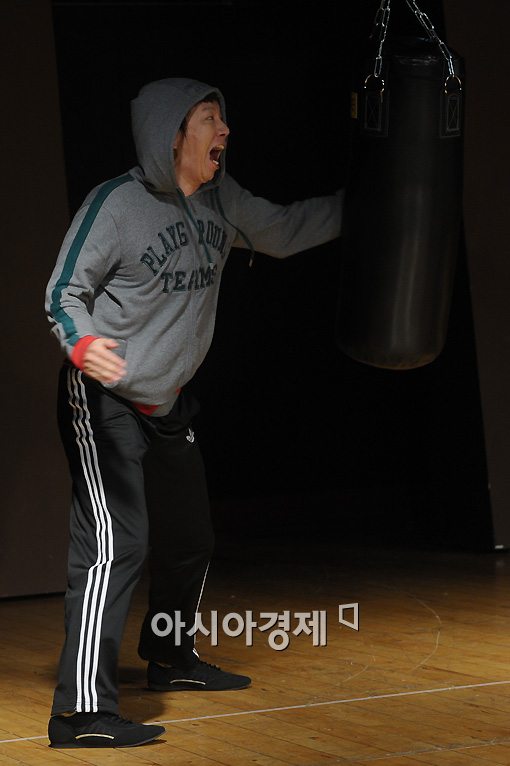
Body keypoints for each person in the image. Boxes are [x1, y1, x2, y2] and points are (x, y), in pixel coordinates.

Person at [45, 77, 344, 749]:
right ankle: (80, 715)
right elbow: (64, 290)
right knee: (117, 543)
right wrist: (84, 344)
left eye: (222, 119)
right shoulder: (115, 205)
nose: (224, 131)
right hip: (102, 398)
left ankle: (170, 658)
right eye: (210, 119)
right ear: (171, 133)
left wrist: (381, 202)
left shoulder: (222, 201)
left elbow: (284, 229)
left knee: (189, 539)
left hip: (167, 401)